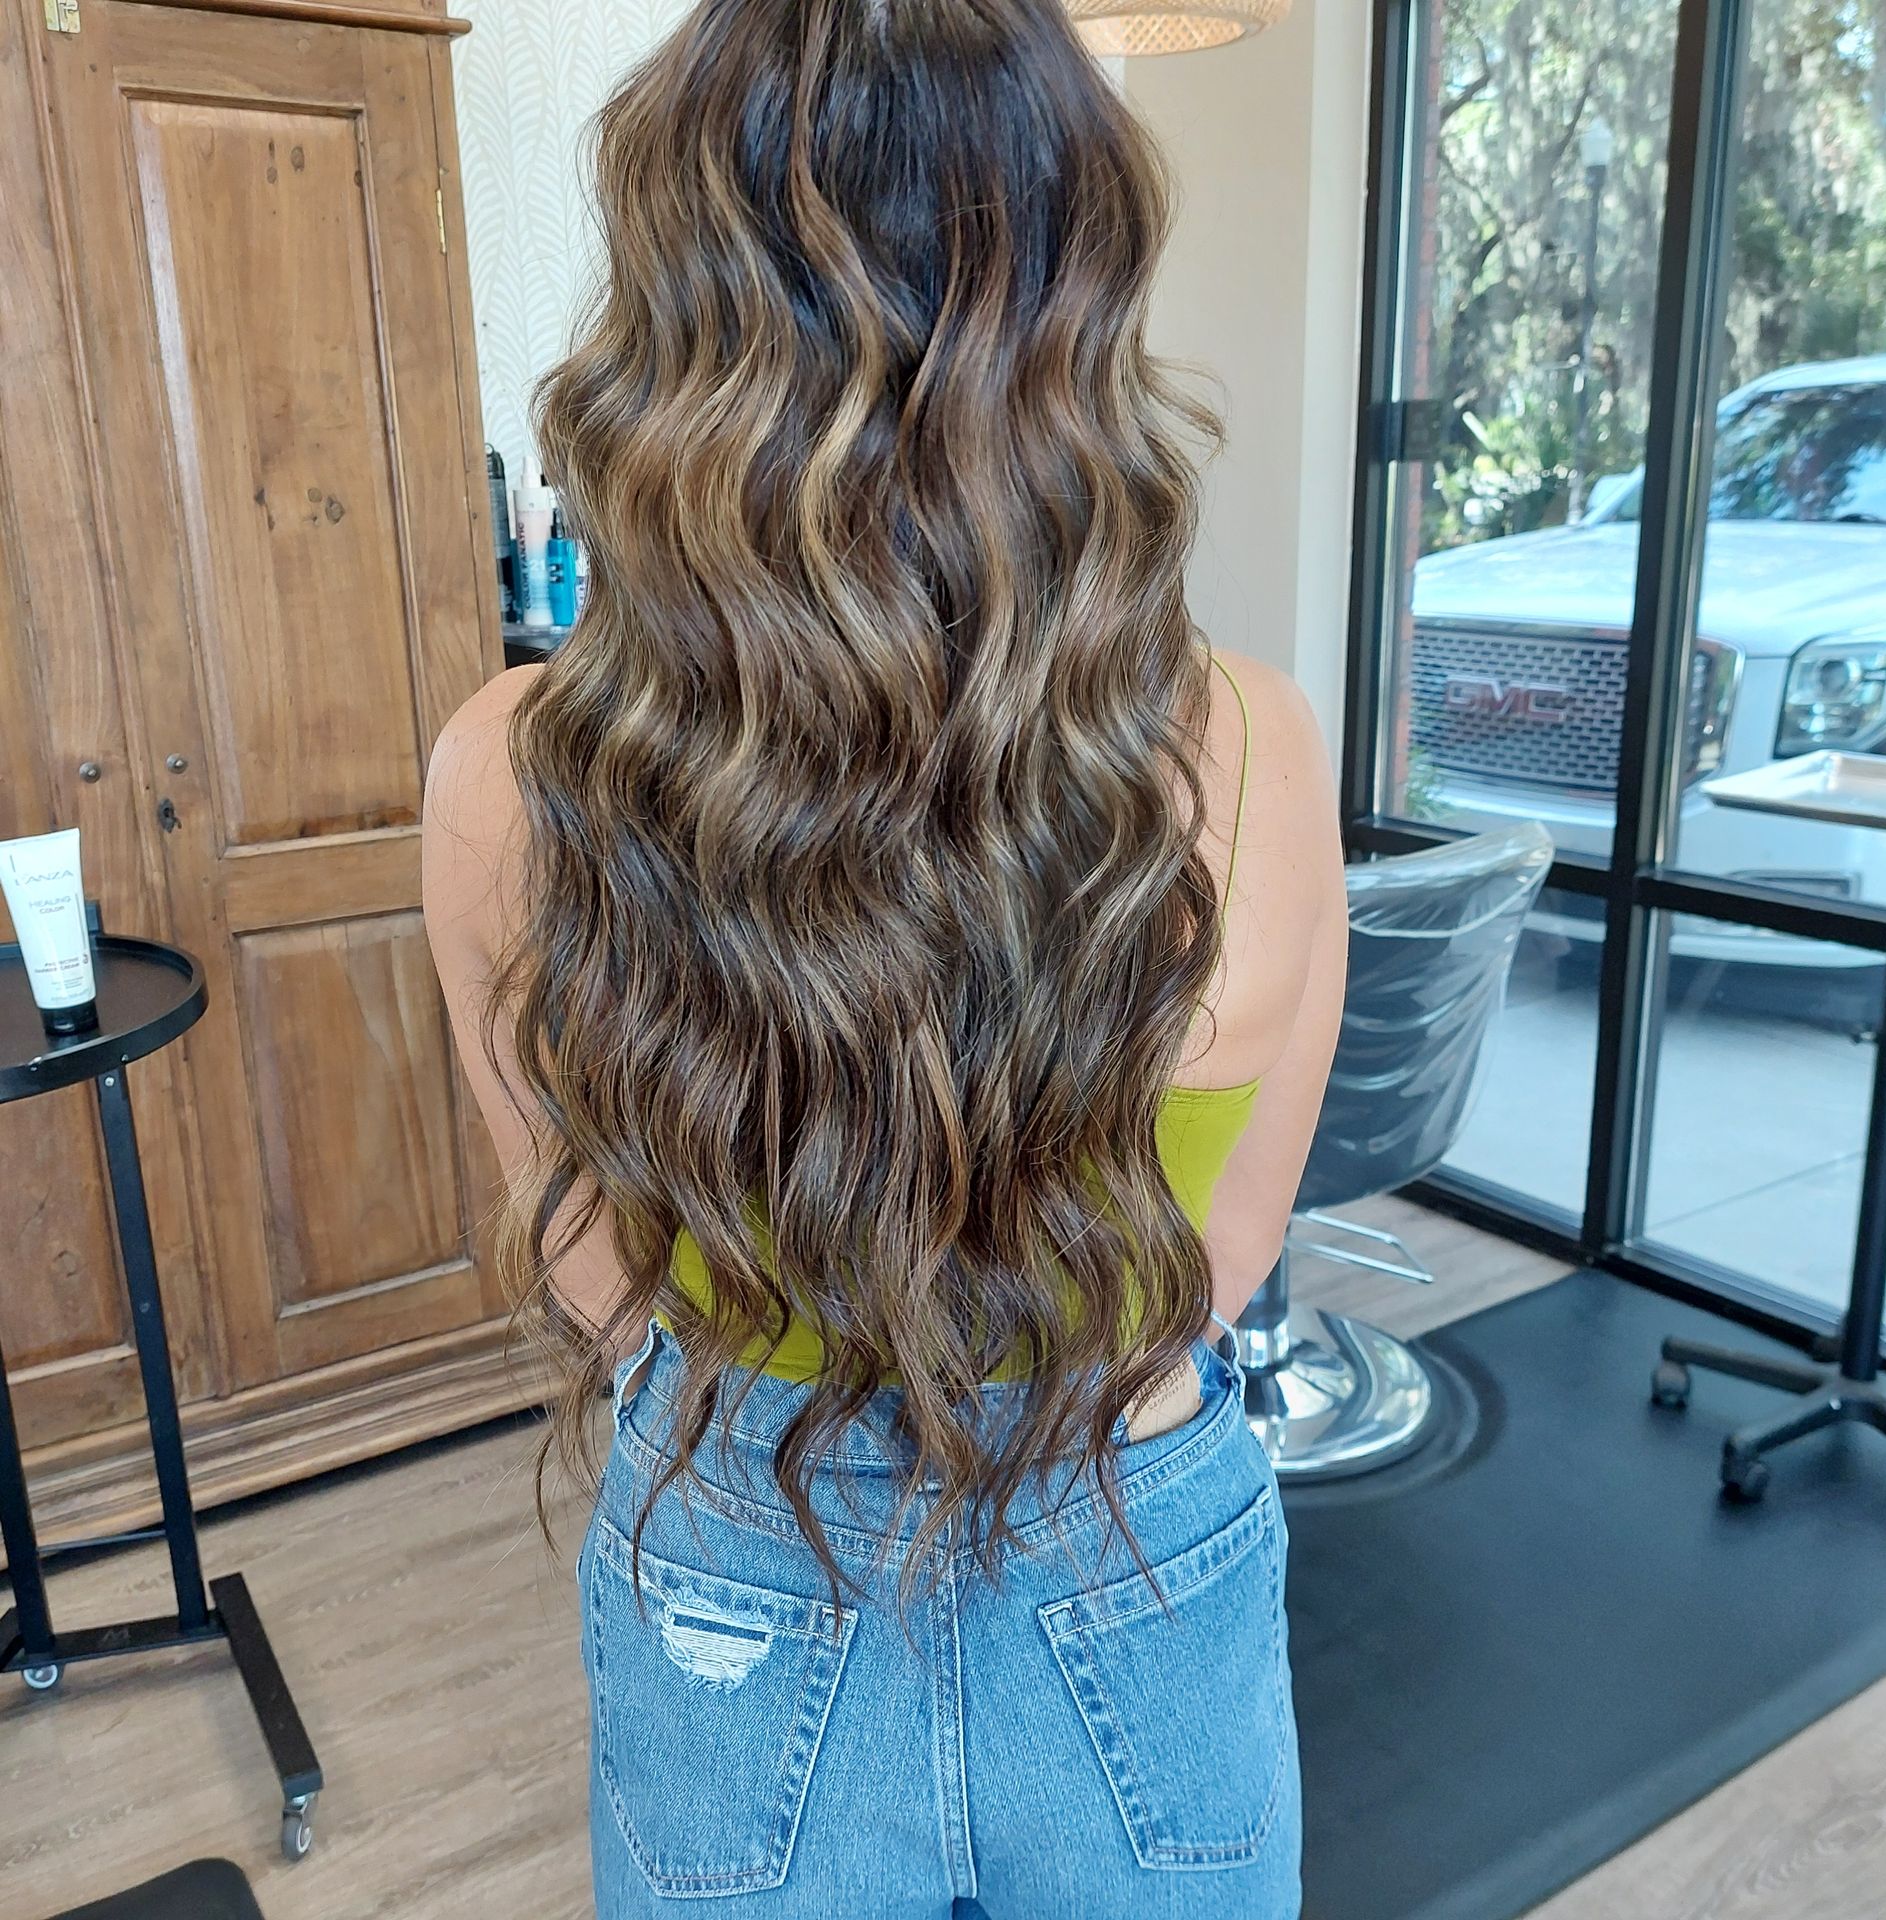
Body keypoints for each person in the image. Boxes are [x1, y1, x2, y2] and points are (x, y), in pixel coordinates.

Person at [422, 0, 1346, 1911]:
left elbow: (601, 1278)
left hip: (735, 1569)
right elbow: (1223, 1257)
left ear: (675, 308)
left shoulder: (509, 780)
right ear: (1074, 299)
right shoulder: (1251, 743)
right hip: (1134, 1527)